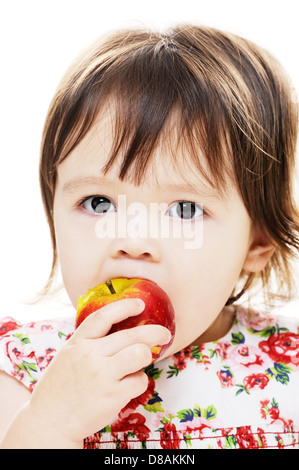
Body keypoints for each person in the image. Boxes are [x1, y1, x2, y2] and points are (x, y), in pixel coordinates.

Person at [0, 24, 298, 449]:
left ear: (258, 242)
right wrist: (50, 427)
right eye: (99, 203)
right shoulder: (23, 367)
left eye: (185, 210)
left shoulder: (290, 367)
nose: (133, 240)